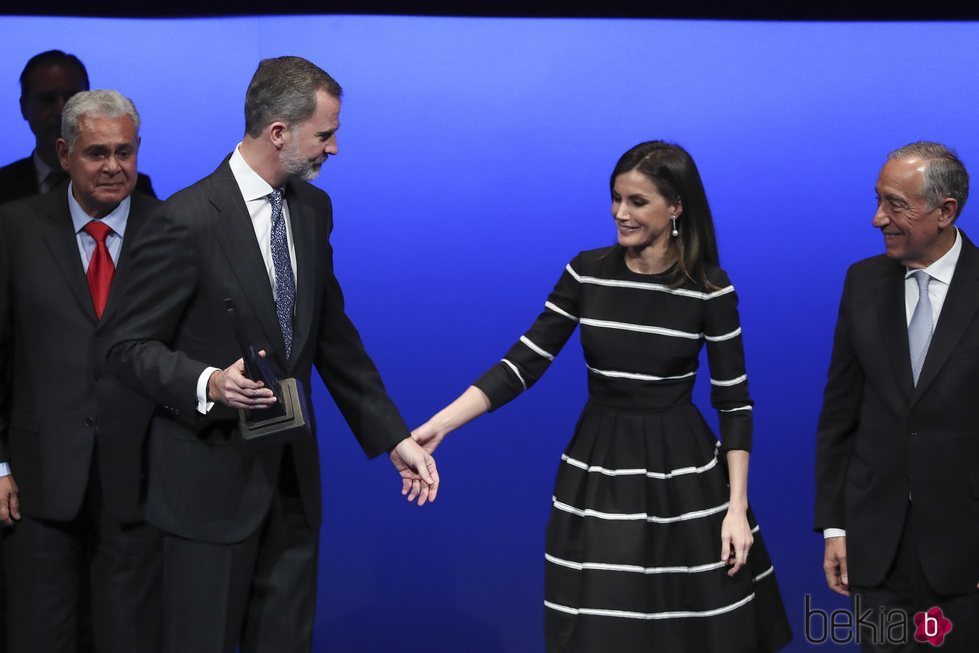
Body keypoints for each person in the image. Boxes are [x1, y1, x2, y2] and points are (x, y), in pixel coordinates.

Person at [107, 56, 439, 652]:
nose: (334, 149)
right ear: (279, 132)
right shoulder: (183, 220)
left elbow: (332, 336)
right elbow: (125, 346)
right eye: (326, 134)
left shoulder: (313, 211)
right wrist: (208, 381)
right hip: (207, 490)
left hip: (290, 482)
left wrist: (394, 436)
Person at [411, 141, 792, 652]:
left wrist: (737, 507)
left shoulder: (709, 289)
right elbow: (523, 363)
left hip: (686, 476)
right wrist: (442, 424)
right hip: (599, 469)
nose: (620, 212)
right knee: (602, 622)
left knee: (693, 627)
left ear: (676, 206)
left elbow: (734, 402)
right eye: (616, 198)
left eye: (637, 201)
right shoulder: (586, 272)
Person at [0, 90, 162, 653]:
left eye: (125, 152)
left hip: (143, 481)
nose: (113, 167)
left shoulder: (172, 231)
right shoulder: (14, 228)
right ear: (64, 152)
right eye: (97, 153)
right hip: (37, 480)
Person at [815, 142, 978, 652]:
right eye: (878, 200)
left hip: (963, 554)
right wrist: (834, 526)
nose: (877, 218)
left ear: (945, 210)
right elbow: (839, 415)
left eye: (895, 204)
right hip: (876, 548)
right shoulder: (862, 282)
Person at [0, 49, 155, 205]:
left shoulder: (135, 188)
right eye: (47, 100)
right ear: (23, 107)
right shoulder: (4, 185)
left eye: (72, 99)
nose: (61, 111)